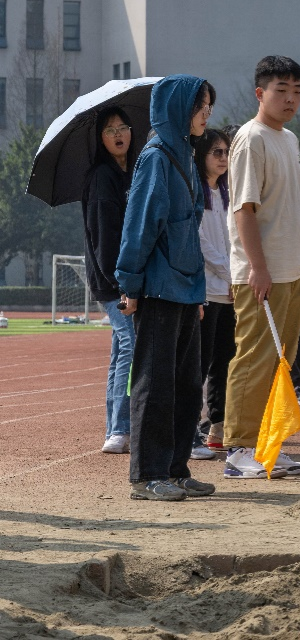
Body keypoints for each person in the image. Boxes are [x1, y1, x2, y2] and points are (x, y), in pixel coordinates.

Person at [115, 75, 216, 502]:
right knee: (155, 385)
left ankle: (175, 469)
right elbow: (139, 225)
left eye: (208, 105)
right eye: (199, 105)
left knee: (186, 386)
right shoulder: (155, 157)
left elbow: (189, 228)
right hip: (158, 289)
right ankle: (147, 476)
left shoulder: (186, 155)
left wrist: (196, 292)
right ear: (178, 108)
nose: (206, 113)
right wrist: (130, 284)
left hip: (186, 289)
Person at [222, 56, 300, 480]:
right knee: (255, 359)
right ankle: (238, 450)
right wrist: (257, 267)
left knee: (281, 360)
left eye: (297, 90)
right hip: (264, 273)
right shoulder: (250, 139)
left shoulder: (288, 138)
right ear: (260, 93)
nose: (290, 98)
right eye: (282, 90)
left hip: (294, 269)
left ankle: (268, 445)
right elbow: (243, 209)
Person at [83, 106, 136, 456]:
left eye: (123, 127)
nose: (118, 134)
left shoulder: (131, 174)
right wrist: (121, 284)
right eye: (109, 130)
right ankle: (119, 429)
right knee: (131, 344)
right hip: (112, 280)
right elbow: (104, 237)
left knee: (121, 349)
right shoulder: (103, 177)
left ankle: (116, 428)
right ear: (100, 139)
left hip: (127, 277)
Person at [195, 128, 237, 453]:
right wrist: (229, 273)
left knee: (224, 360)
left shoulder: (228, 193)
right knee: (201, 361)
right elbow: (202, 243)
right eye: (217, 152)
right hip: (207, 290)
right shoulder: (196, 192)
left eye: (226, 152)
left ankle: (217, 426)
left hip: (230, 290)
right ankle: (192, 425)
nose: (223, 158)